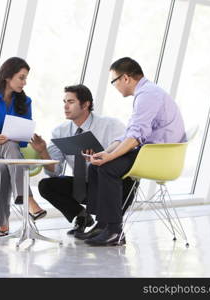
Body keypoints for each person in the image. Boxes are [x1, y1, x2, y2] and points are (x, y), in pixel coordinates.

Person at [85, 57, 186, 246]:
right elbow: (129, 134)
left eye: (114, 81)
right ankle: (104, 224)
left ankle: (114, 231)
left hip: (158, 156)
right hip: (151, 152)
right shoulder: (146, 93)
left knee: (108, 168)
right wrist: (105, 153)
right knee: (96, 166)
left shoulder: (148, 95)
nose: (114, 86)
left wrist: (109, 157)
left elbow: (135, 137)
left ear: (125, 78)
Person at [31, 84, 136, 238]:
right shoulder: (60, 131)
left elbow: (128, 149)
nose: (65, 106)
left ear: (85, 104)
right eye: (64, 102)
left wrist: (103, 155)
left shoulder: (110, 124)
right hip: (84, 185)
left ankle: (109, 227)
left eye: (71, 102)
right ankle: (82, 216)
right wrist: (43, 151)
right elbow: (55, 171)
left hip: (110, 184)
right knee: (46, 185)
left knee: (124, 181)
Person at [0, 57, 45, 237]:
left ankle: (2, 224)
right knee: (8, 147)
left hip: (8, 155)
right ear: (7, 76)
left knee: (3, 165)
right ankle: (28, 199)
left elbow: (22, 139)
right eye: (21, 77)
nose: (24, 82)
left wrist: (18, 137)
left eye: (26, 78)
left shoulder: (25, 102)